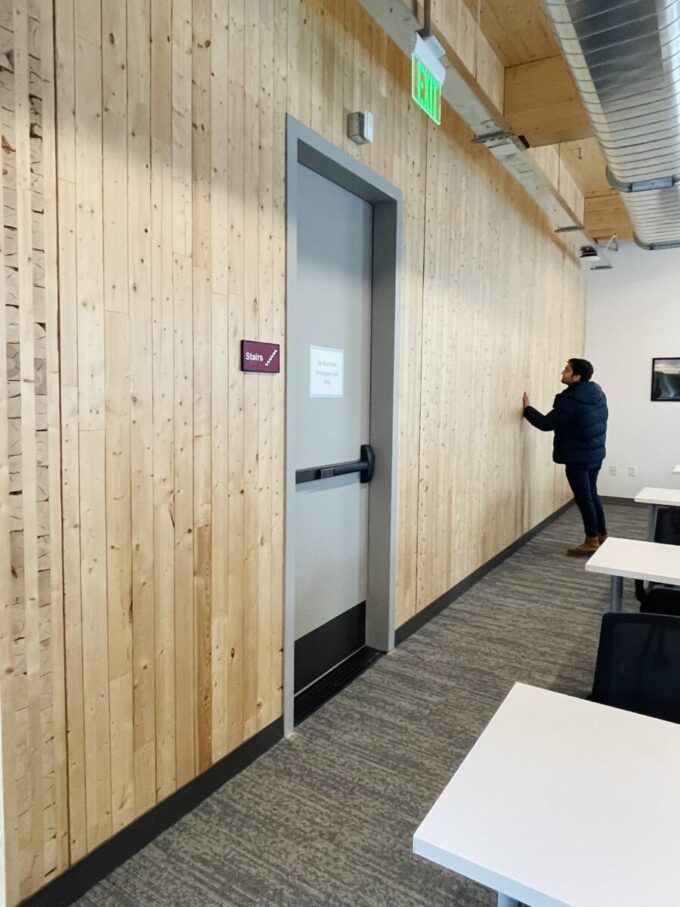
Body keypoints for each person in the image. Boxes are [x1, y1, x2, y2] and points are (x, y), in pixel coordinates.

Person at [523, 358, 608, 557]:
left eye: (567, 370)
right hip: (595, 454)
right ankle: (602, 535)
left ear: (576, 377)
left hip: (578, 457)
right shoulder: (596, 393)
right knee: (592, 494)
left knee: (583, 498)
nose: (562, 372)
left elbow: (545, 423)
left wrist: (527, 409)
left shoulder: (571, 401)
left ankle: (591, 539)